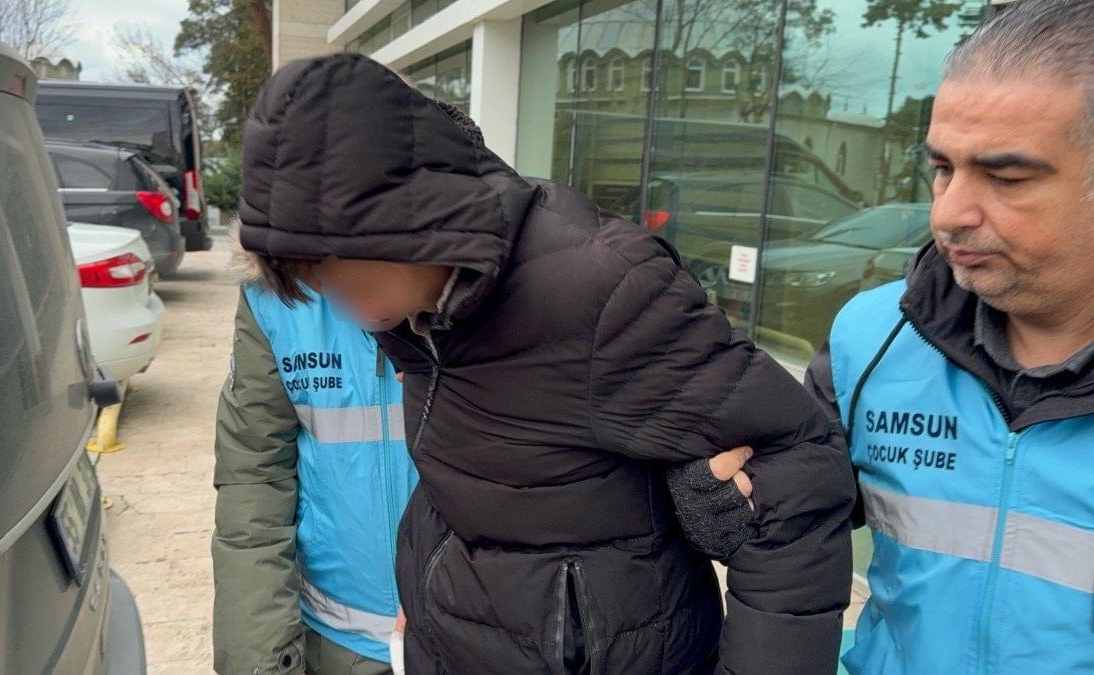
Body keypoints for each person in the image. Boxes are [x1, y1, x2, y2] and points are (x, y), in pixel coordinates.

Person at [237, 52, 855, 674]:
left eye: (343, 271)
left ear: (410, 218)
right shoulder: (413, 309)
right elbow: (478, 465)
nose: (336, 298)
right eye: (313, 278)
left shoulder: (601, 287)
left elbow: (800, 470)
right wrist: (423, 591)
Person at [804, 1, 1094, 672]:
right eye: (942, 168)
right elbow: (786, 515)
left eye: (1005, 177)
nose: (950, 211)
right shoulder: (871, 335)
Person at [212, 238, 418, 675]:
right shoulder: (272, 290)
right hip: (339, 643)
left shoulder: (486, 280)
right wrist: (261, 659)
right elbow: (254, 478)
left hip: (479, 636)